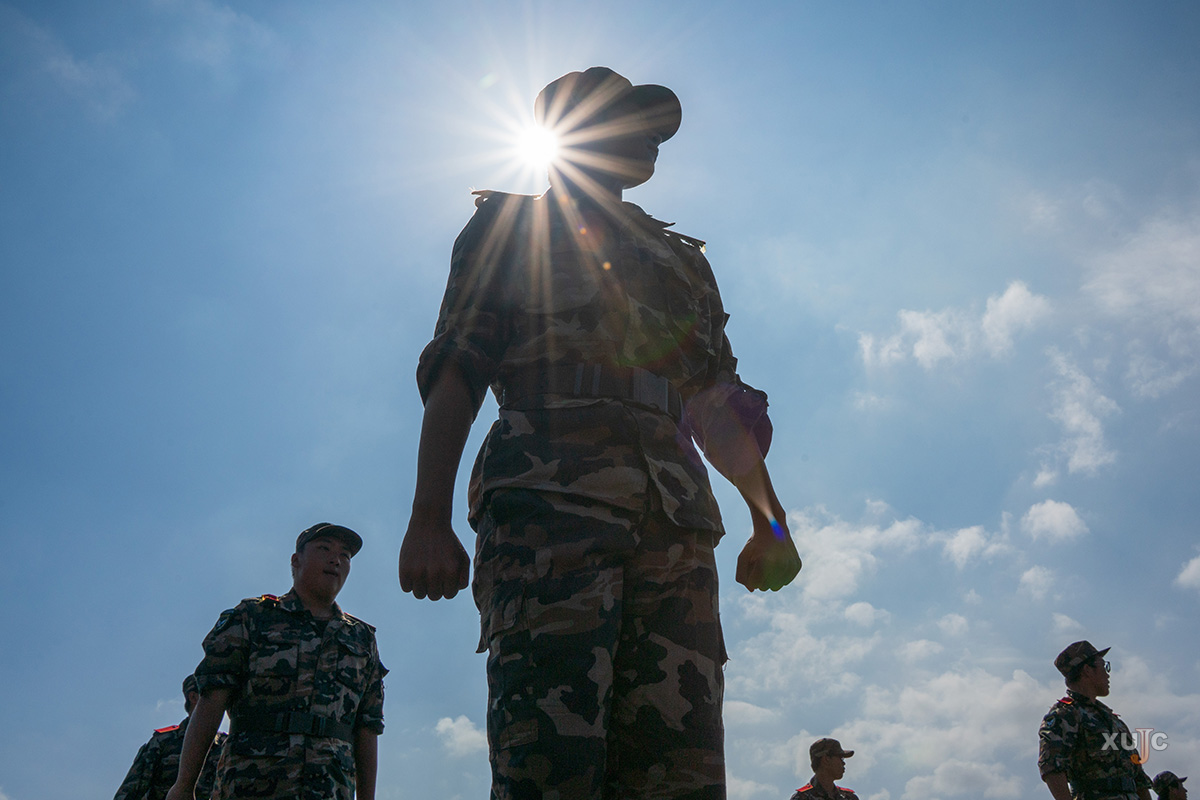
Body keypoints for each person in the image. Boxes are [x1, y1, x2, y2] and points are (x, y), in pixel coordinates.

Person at [398, 66, 802, 799]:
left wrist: (769, 523)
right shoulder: (510, 227)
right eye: (630, 123)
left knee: (680, 773)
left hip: (675, 524)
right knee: (551, 763)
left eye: (653, 130)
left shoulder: (685, 261)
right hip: (549, 507)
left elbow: (717, 404)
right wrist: (429, 517)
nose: (650, 140)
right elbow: (458, 366)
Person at [165, 523, 386, 800]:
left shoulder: (361, 639)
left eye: (345, 555)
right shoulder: (252, 616)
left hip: (330, 789)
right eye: (324, 549)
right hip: (251, 785)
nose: (336, 560)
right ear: (296, 560)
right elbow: (211, 701)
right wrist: (184, 786)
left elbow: (367, 729)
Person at [1038, 640, 1153, 800]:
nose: (1107, 674)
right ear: (1087, 670)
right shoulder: (1065, 715)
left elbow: (1138, 779)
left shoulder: (1114, 721)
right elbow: (1051, 768)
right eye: (1104, 666)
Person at [114, 674, 226, 800]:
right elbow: (129, 791)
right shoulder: (163, 742)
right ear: (193, 697)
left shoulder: (225, 744)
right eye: (213, 696)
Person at [790, 738, 858, 800]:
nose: (843, 763)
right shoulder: (802, 797)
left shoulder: (849, 797)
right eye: (840, 758)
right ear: (826, 759)